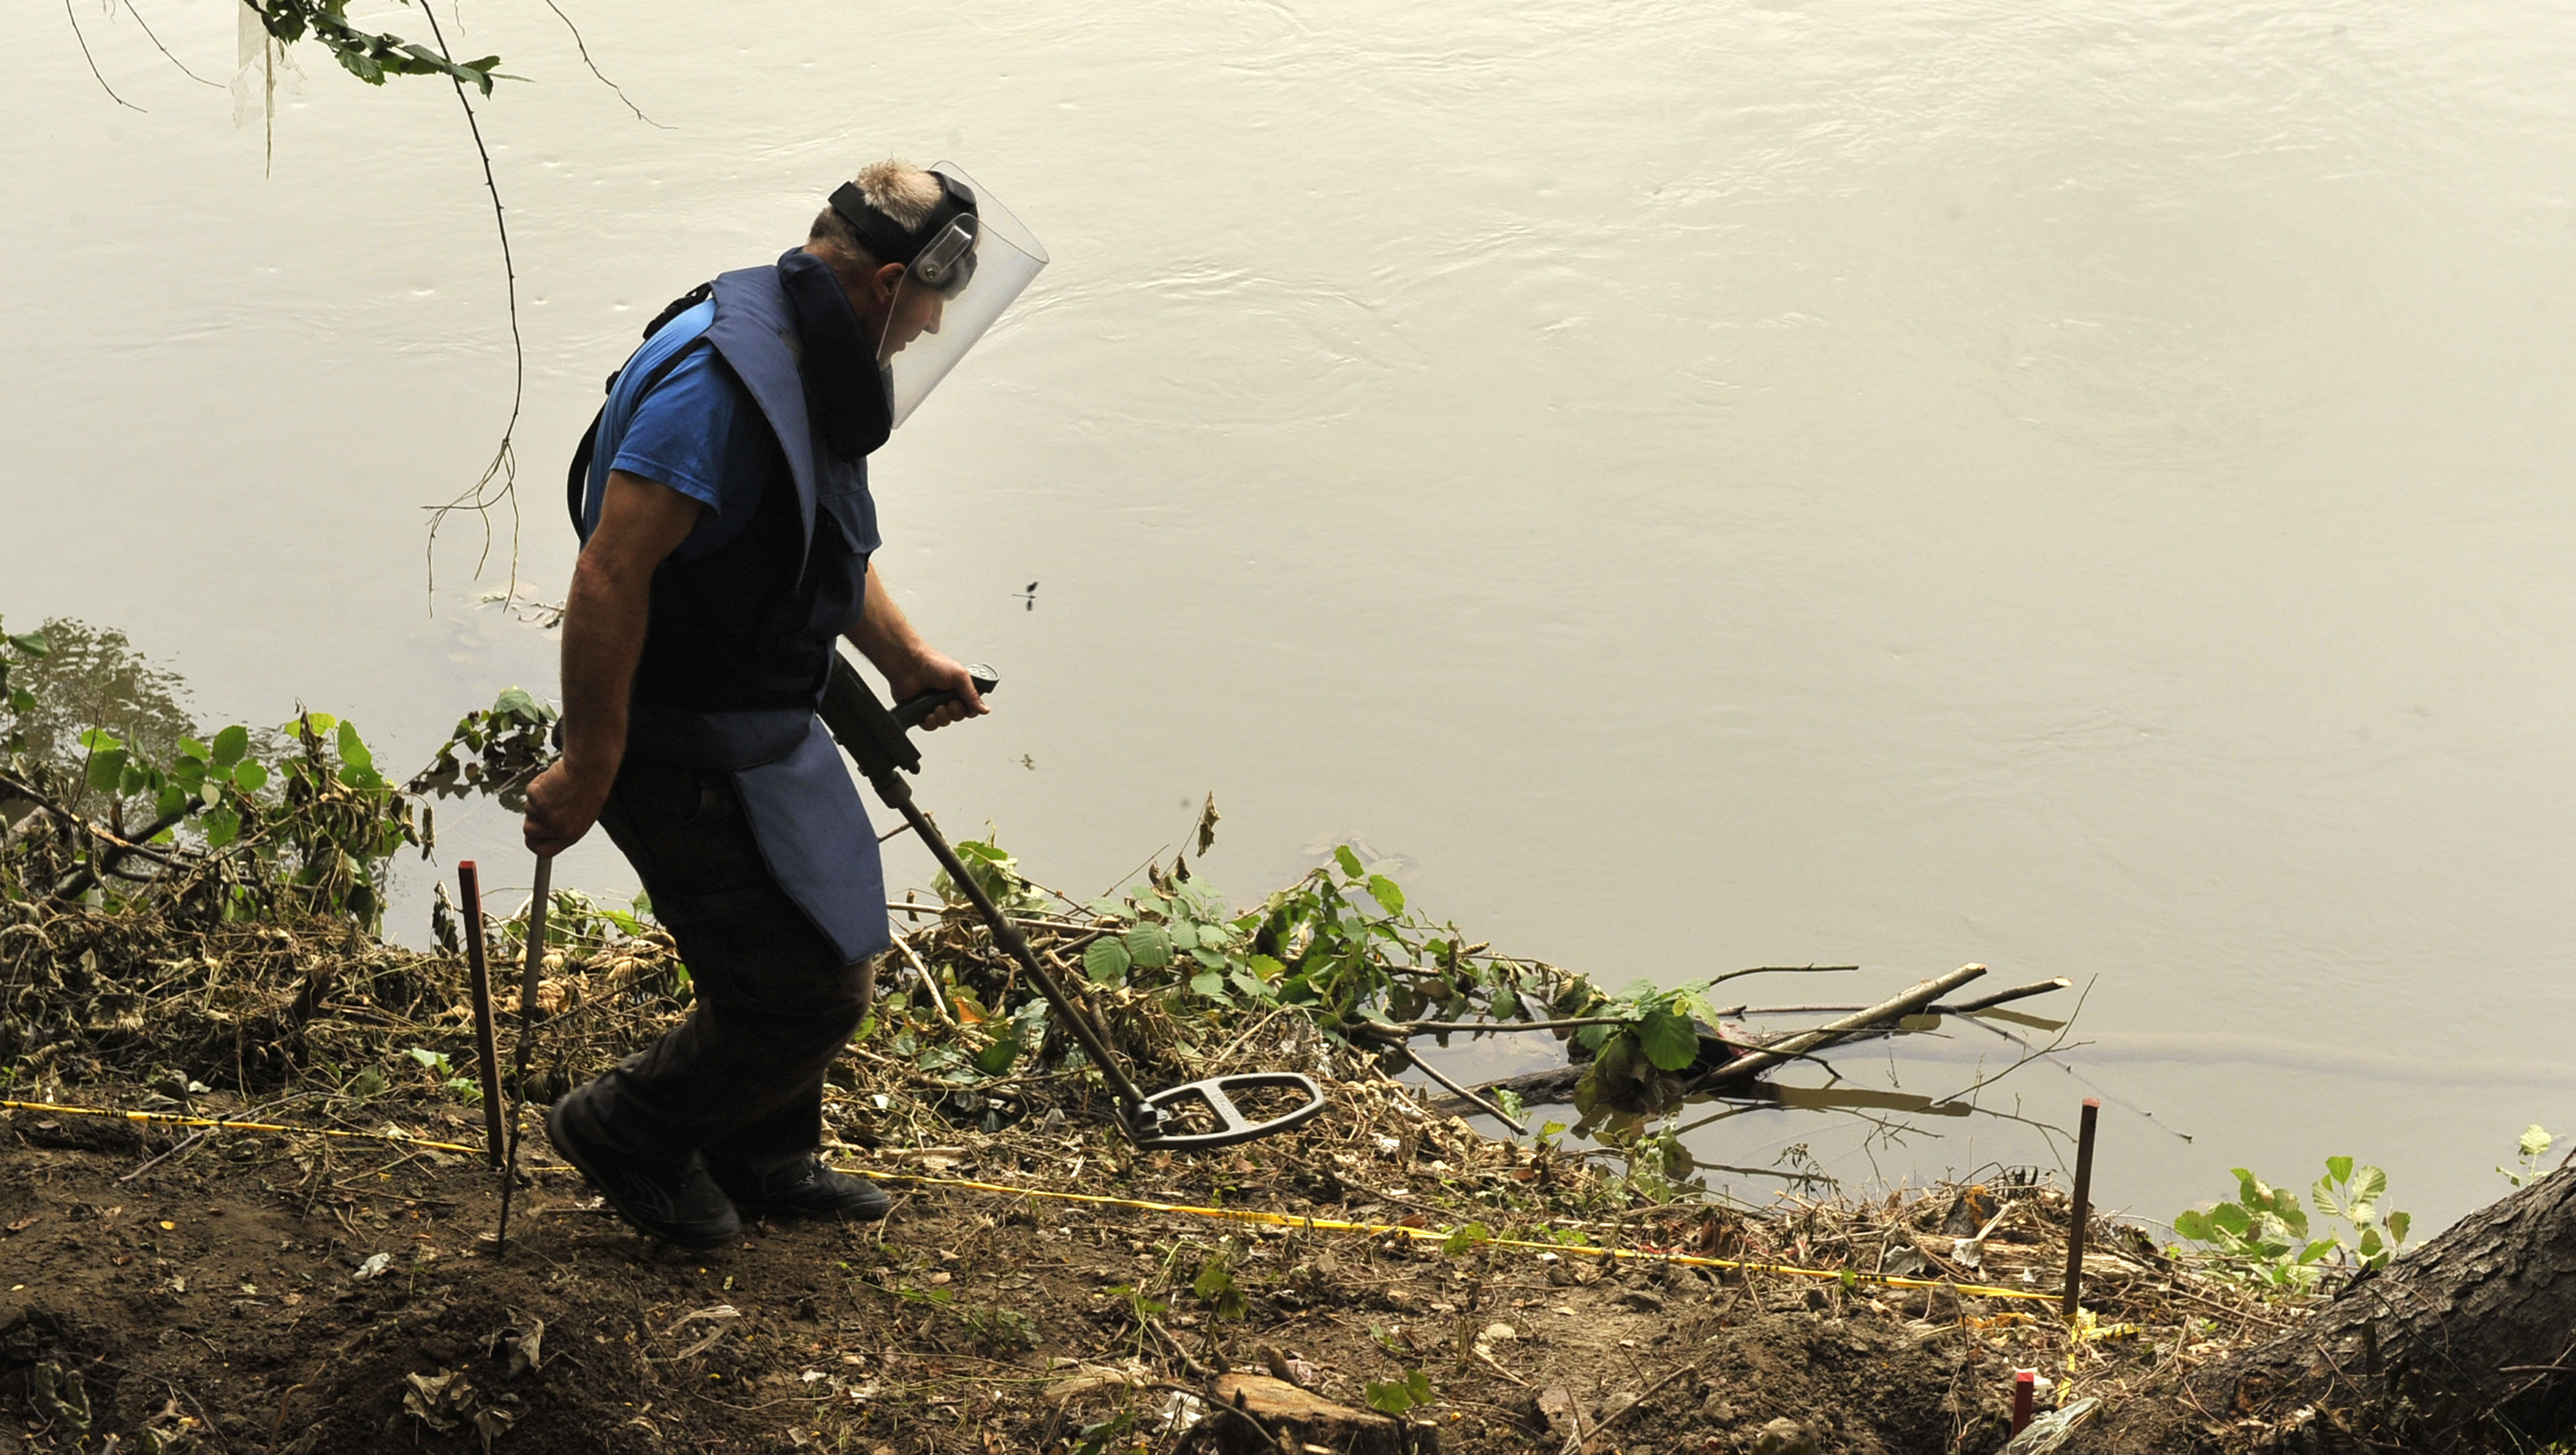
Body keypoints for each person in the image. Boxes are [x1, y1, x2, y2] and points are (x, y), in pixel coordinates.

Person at [518, 159, 1049, 1249]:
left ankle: (759, 1154)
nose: (926, 331)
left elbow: (815, 536)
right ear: (887, 283)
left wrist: (906, 657)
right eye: (928, 308)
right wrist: (591, 764)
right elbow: (609, 574)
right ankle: (626, 1129)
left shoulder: (811, 349)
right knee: (807, 990)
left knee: (820, 930)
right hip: (677, 735)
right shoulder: (719, 387)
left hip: (764, 715)